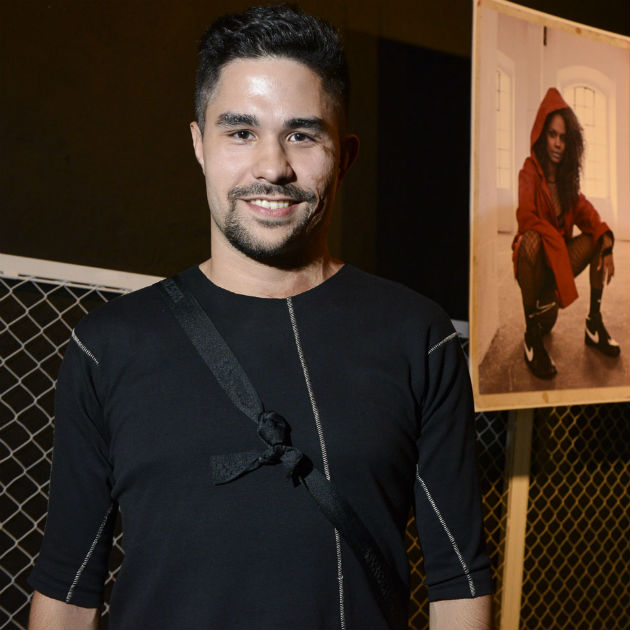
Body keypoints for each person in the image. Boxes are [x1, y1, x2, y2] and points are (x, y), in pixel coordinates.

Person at [28, 6, 493, 629]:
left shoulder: (417, 337)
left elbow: (459, 580)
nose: (272, 166)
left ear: (345, 155)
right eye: (241, 132)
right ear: (200, 144)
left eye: (302, 135)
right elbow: (67, 590)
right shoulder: (109, 346)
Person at [512, 87, 619, 380]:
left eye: (563, 137)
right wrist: (555, 244)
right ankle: (531, 335)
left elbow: (591, 217)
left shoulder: (568, 182)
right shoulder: (528, 172)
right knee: (529, 240)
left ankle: (593, 322)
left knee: (597, 237)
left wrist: (607, 243)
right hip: (537, 279)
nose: (558, 143)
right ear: (541, 135)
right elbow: (525, 217)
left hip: (556, 281)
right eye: (552, 135)